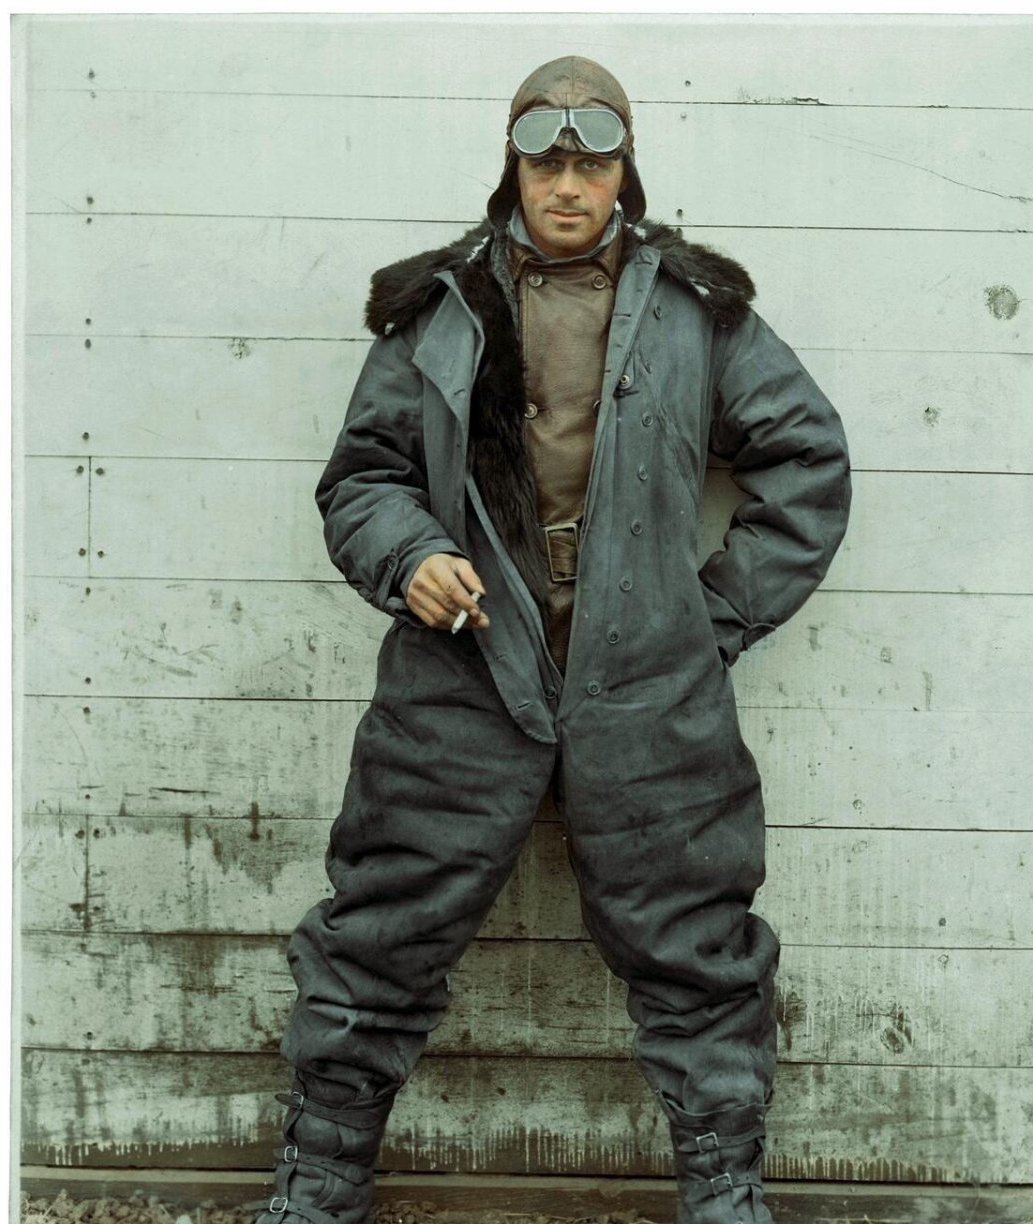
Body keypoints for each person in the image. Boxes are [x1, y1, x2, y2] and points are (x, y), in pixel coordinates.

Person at [257, 56, 851, 1224]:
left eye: (593, 160)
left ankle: (725, 1194)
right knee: (382, 926)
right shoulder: (438, 310)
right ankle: (318, 1187)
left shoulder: (700, 314)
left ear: (626, 168)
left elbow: (806, 462)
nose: (569, 184)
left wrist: (710, 619)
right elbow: (363, 476)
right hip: (464, 670)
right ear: (515, 165)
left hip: (647, 684)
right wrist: (408, 555)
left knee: (698, 943)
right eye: (547, 160)